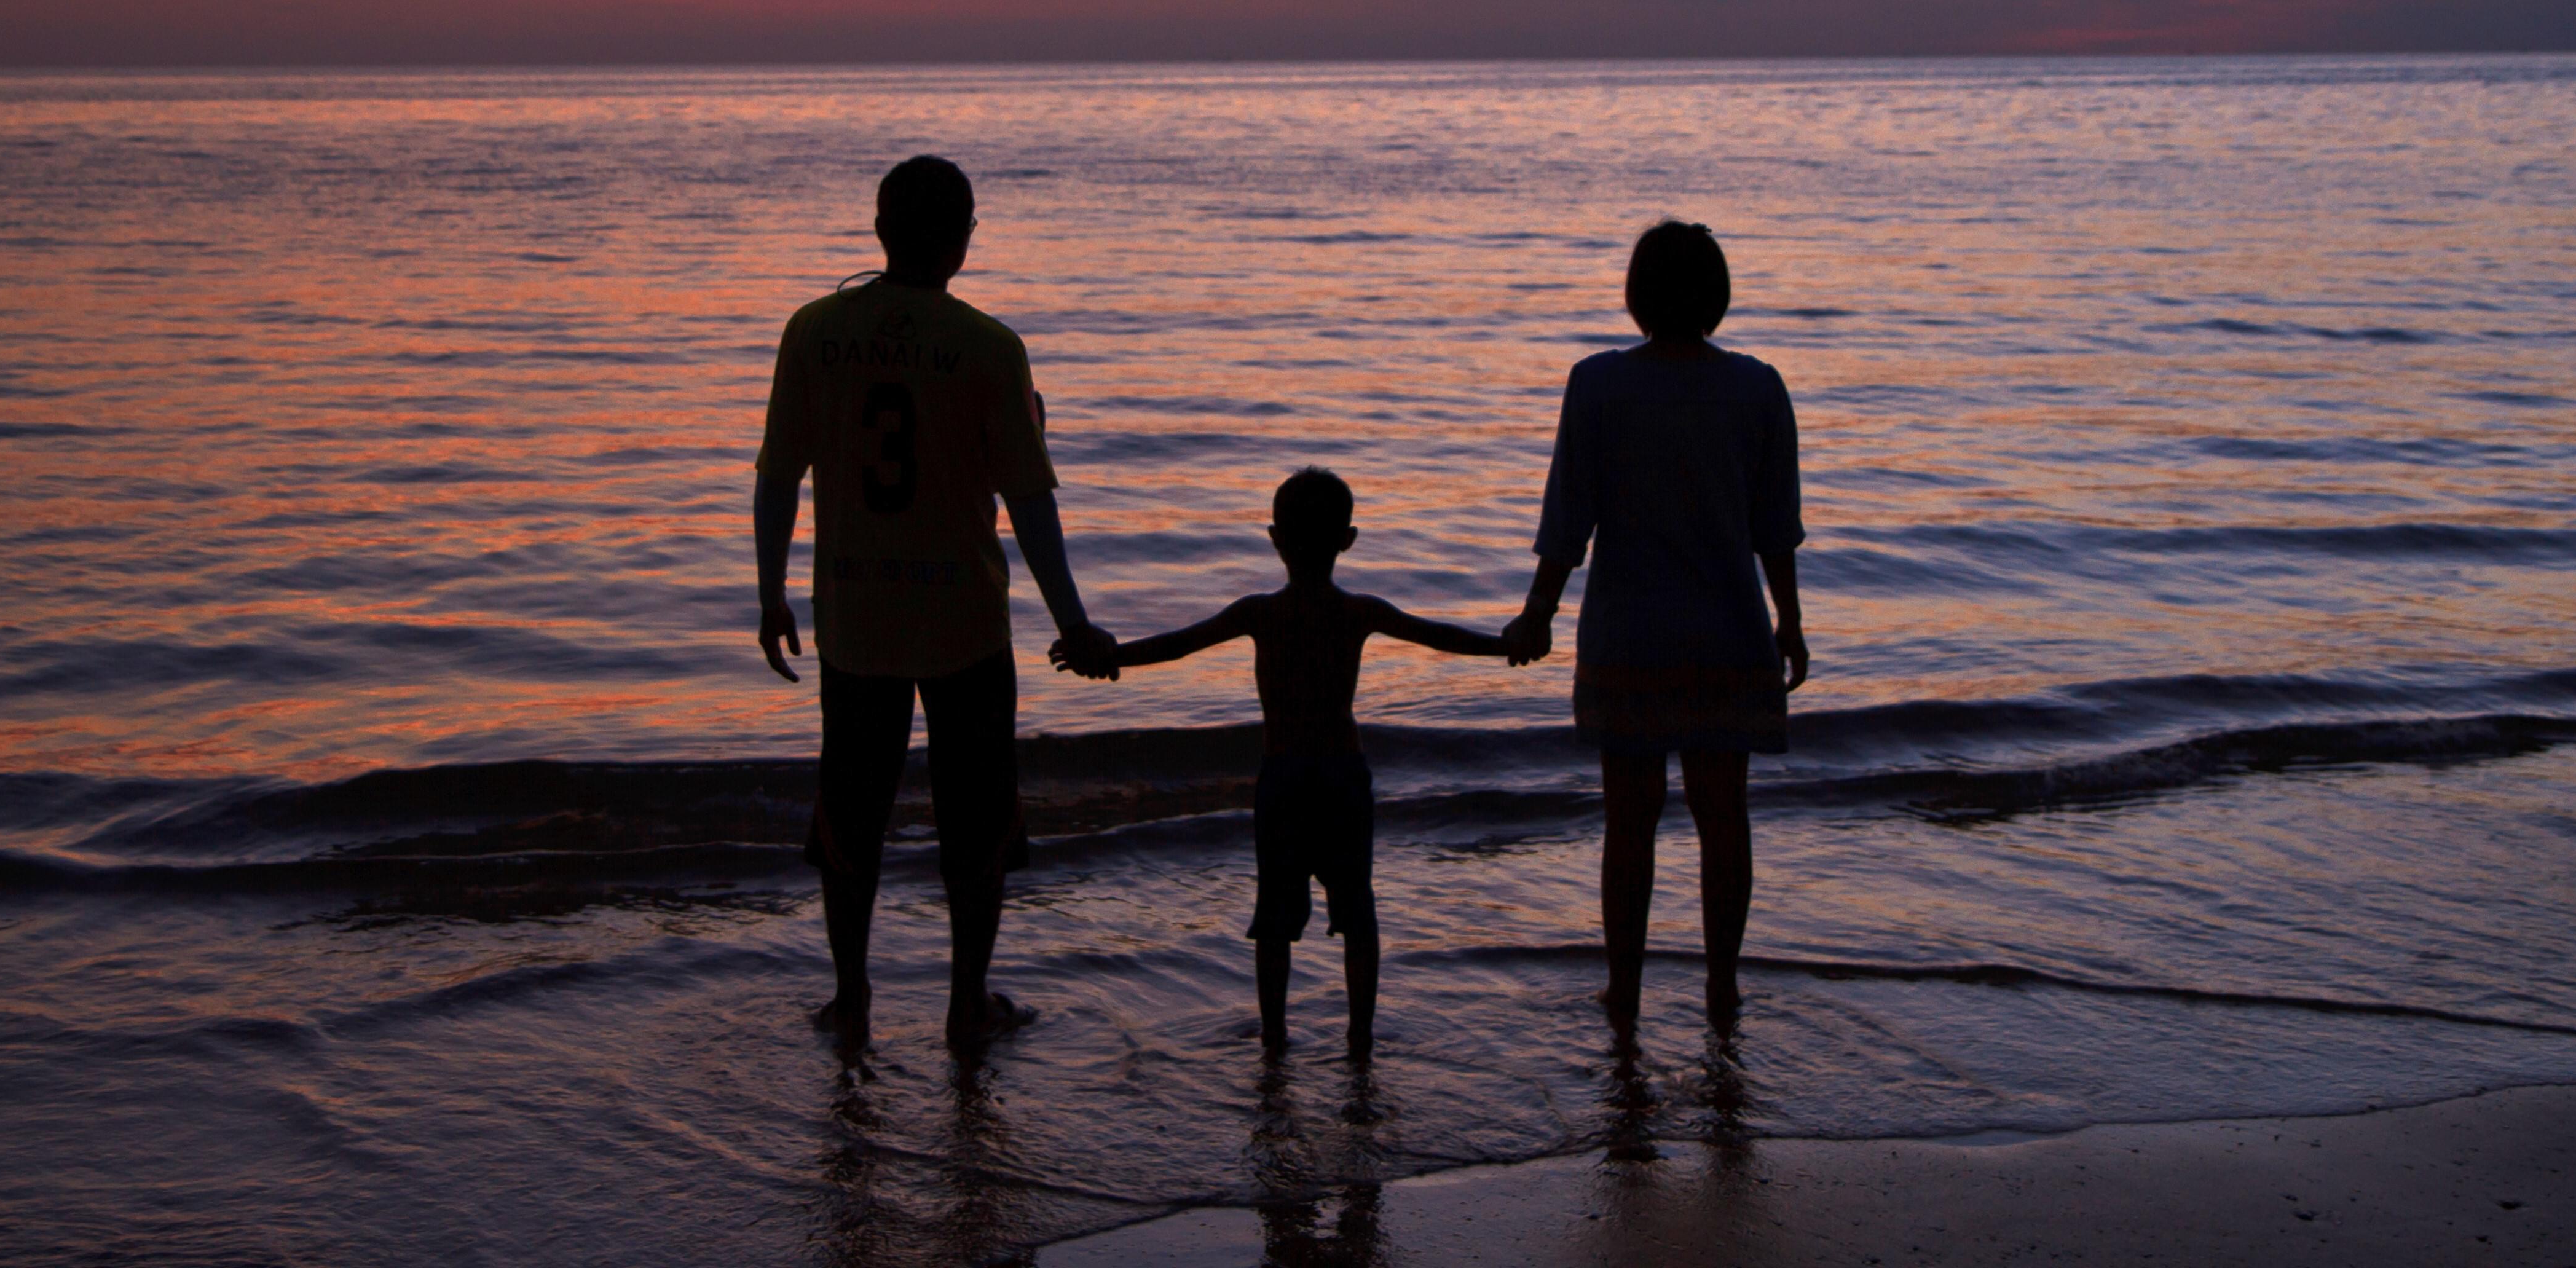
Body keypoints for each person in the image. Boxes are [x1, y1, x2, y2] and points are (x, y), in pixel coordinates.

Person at [754, 154, 1121, 1049]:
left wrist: (769, 596)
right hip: (964, 628)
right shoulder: (991, 349)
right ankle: (966, 1002)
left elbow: (778, 480)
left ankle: (852, 998)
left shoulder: (813, 331)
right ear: (964, 240)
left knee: (852, 814)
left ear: (879, 231)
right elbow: (1031, 504)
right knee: (977, 819)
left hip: (854, 622)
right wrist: (1071, 622)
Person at [1074, 467, 1523, 1053]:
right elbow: (1439, 635)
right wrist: (1506, 645)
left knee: (1276, 920)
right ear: (1349, 539)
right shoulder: (1361, 610)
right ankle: (1359, 1038)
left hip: (1284, 778)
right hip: (1342, 776)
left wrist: (1110, 659)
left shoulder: (1258, 612)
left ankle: (1275, 1037)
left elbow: (1178, 644)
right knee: (1356, 913)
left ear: (1275, 538)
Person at [1500, 220, 1809, 1027]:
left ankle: (1626, 988)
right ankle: (1721, 985)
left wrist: (1538, 613)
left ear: (1637, 296)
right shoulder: (1758, 387)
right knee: (1723, 817)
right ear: (1716, 296)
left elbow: (1570, 517)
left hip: (1629, 636)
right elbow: (1774, 526)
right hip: (1727, 633)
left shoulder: (1598, 385)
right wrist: (1792, 621)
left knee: (1629, 823)